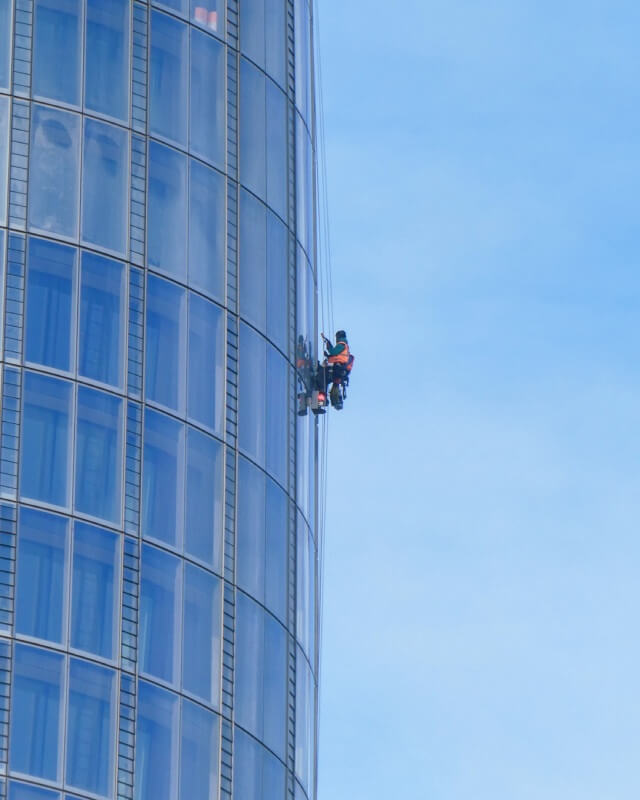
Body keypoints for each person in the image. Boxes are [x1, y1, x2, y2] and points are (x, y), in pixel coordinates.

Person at [322, 330, 354, 409]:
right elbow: (336, 357)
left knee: (322, 379)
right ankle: (325, 401)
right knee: (332, 384)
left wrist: (328, 344)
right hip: (340, 370)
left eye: (336, 337)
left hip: (337, 369)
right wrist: (328, 356)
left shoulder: (341, 344)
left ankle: (321, 400)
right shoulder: (345, 347)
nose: (336, 339)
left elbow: (333, 352)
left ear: (338, 337)